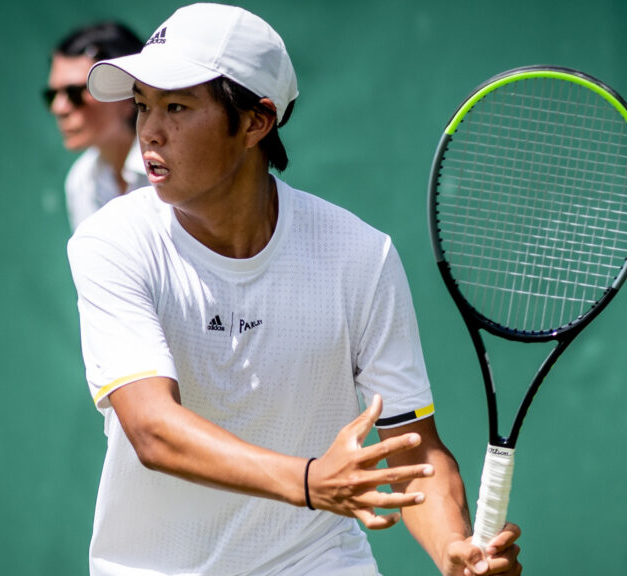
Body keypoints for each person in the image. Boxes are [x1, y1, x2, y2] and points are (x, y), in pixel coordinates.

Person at [67, 4, 523, 575]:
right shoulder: (112, 241)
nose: (149, 132)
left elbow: (413, 448)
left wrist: (454, 549)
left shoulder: (359, 255)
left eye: (177, 107)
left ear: (256, 123)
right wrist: (310, 481)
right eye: (142, 107)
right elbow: (153, 430)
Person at [45, 21, 149, 231]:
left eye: (74, 93)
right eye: (51, 95)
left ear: (128, 92)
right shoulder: (81, 181)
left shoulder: (174, 164)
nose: (58, 107)